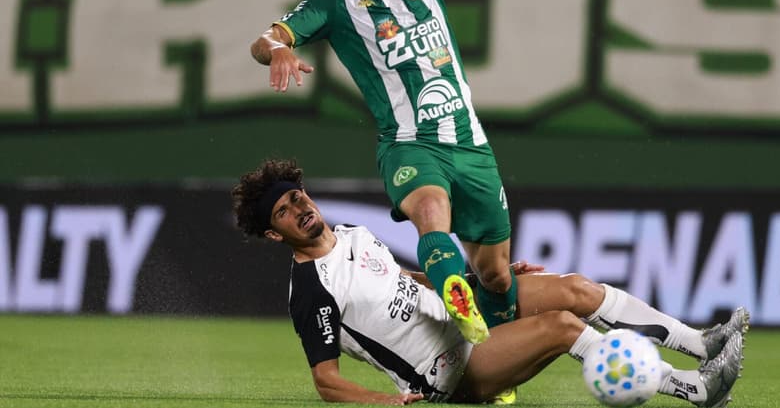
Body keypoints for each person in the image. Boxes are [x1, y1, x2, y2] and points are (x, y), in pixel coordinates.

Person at [250, 0, 587, 348]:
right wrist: (278, 49)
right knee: (431, 213)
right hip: (409, 143)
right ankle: (454, 295)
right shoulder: (333, 6)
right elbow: (266, 39)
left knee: (498, 276)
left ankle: (490, 349)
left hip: (470, 143)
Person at [230, 158, 749, 406]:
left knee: (573, 289)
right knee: (562, 326)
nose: (298, 208)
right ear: (274, 234)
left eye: (296, 197)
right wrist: (384, 402)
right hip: (446, 372)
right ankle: (698, 390)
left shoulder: (352, 234)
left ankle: (701, 343)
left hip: (465, 322)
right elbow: (326, 381)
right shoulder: (312, 291)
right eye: (283, 211)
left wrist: (473, 283)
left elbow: (404, 280)